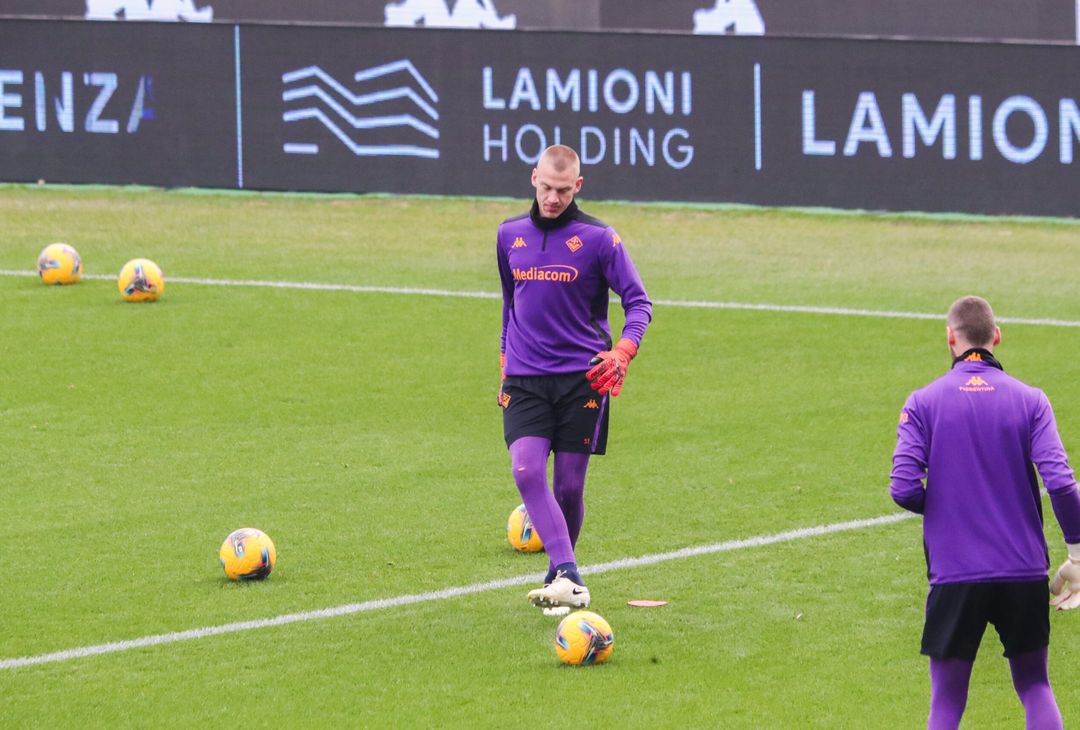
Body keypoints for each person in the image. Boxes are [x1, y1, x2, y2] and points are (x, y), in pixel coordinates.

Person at [890, 295, 1080, 729]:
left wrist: (947, 505)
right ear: (996, 336)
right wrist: (1077, 554)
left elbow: (903, 488)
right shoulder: (1031, 400)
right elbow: (1062, 482)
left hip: (955, 574)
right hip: (1023, 570)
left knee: (947, 700)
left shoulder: (924, 402)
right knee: (1035, 686)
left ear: (950, 338)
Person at [496, 144, 652, 614]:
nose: (553, 198)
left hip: (582, 380)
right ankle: (570, 575)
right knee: (526, 470)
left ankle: (558, 578)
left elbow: (639, 303)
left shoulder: (600, 240)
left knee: (567, 488)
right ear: (533, 179)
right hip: (525, 377)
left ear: (577, 187)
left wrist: (623, 352)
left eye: (563, 190)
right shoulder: (508, 236)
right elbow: (511, 303)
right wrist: (504, 359)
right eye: (546, 187)